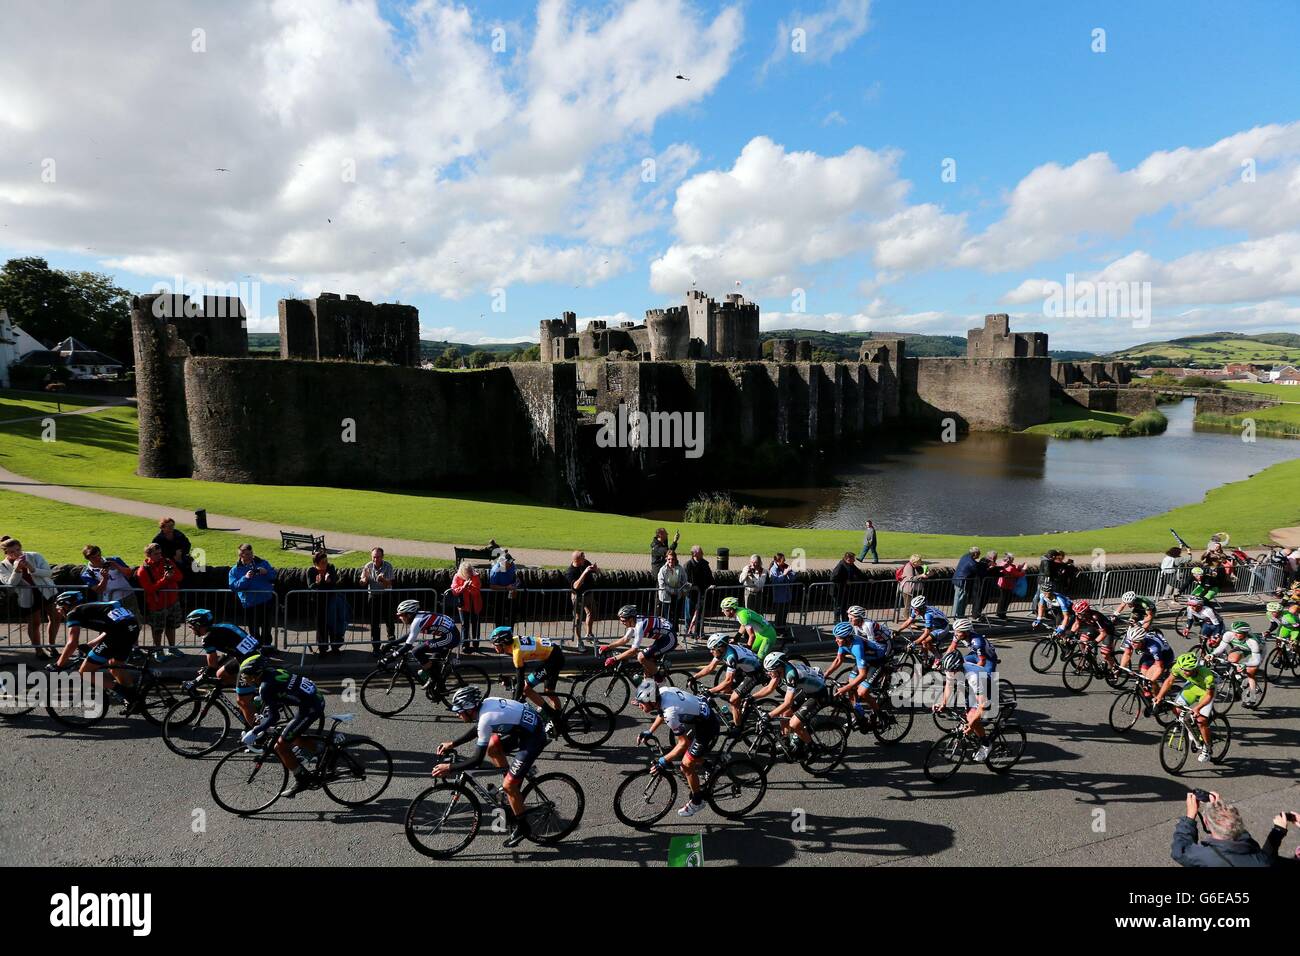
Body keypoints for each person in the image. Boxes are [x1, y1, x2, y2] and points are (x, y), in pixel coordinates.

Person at [433, 685, 548, 847]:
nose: (457, 714)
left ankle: (522, 826)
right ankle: (514, 786)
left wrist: (449, 768)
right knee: (493, 746)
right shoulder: (484, 706)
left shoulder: (486, 717)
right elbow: (479, 729)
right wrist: (453, 743)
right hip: (522, 729)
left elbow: (476, 760)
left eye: (459, 711)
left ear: (469, 708)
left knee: (509, 785)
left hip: (533, 737)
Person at [237, 654, 326, 799]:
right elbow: (279, 694)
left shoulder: (265, 687)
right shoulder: (272, 671)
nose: (246, 679)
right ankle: (321, 749)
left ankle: (302, 780)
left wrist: (255, 731)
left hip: (310, 707)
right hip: (312, 698)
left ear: (258, 673)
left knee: (280, 747)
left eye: (248, 676)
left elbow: (274, 717)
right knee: (289, 736)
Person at [634, 678, 721, 818]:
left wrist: (663, 760)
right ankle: (708, 766)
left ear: (652, 701)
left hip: (706, 727)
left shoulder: (671, 713)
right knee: (684, 753)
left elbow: (683, 743)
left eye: (642, 703)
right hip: (697, 717)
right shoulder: (662, 692)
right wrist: (650, 731)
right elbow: (661, 713)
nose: (639, 706)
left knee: (685, 765)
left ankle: (697, 801)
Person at [50, 590, 139, 696]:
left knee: (85, 672)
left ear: (66, 605)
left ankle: (123, 692)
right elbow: (111, 628)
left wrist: (58, 665)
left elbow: (72, 643)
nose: (59, 612)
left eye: (59, 609)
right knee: (115, 667)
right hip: (132, 629)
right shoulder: (92, 607)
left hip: (119, 633)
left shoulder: (73, 613)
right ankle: (134, 697)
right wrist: (91, 644)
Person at [184, 608, 262, 728]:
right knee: (221, 674)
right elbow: (228, 651)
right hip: (252, 655)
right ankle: (253, 691)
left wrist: (194, 682)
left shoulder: (208, 638)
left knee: (242, 702)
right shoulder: (224, 625)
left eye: (191, 626)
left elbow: (212, 667)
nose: (191, 629)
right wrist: (211, 667)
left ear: (198, 625)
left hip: (250, 662)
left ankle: (257, 734)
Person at [751, 650, 830, 758]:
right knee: (784, 714)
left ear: (779, 668)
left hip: (818, 694)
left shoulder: (791, 674)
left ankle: (814, 748)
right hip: (806, 691)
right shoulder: (781, 670)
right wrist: (752, 697)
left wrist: (769, 715)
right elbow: (769, 688)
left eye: (770, 671)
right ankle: (785, 743)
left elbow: (788, 703)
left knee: (794, 724)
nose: (768, 673)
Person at [824, 613, 891, 729]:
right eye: (836, 637)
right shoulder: (843, 642)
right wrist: (825, 674)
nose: (836, 640)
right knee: (851, 685)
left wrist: (845, 688)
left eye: (838, 638)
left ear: (847, 638)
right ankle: (859, 714)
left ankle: (882, 716)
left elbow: (863, 674)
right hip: (865, 660)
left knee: (862, 692)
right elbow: (838, 660)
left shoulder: (857, 647)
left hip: (876, 661)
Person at [1172, 792, 1271, 867]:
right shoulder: (1252, 849)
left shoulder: (1205, 855)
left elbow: (1180, 852)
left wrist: (1190, 818)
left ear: (1206, 822)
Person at [1153, 652, 1217, 764]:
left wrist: (1197, 708)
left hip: (1206, 693)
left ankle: (1207, 748)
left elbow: (1209, 695)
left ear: (1195, 668)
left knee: (1201, 720)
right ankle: (1191, 730)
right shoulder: (1179, 667)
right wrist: (1159, 696)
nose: (1183, 672)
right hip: (1192, 688)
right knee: (1176, 709)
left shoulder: (1208, 676)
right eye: (1182, 669)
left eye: (1187, 670)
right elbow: (1169, 681)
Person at [0, 538, 60, 658]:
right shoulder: (3, 566)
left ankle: (51, 645)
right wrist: (17, 570)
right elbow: (10, 584)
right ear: (6, 553)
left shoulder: (34, 556)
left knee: (55, 617)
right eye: (11, 552)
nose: (16, 554)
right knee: (34, 623)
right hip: (27, 595)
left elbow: (48, 573)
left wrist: (32, 569)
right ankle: (38, 650)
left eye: (17, 550)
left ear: (21, 547)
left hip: (46, 590)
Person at [691, 633, 762, 729]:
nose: (711, 651)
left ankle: (738, 728)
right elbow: (710, 667)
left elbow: (728, 681)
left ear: (720, 648)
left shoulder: (730, 657)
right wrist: (694, 677)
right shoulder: (723, 650)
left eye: (712, 649)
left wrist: (710, 691)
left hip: (754, 673)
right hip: (743, 669)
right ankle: (740, 702)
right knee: (725, 691)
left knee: (733, 700)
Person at [490, 625, 564, 714]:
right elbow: (522, 670)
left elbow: (521, 682)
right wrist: (514, 680)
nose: (494, 647)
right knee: (549, 692)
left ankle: (552, 715)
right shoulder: (515, 640)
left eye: (495, 644)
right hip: (553, 654)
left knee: (526, 689)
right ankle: (559, 714)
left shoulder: (517, 652)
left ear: (503, 644)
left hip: (554, 659)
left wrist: (514, 702)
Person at [934, 649, 993, 760]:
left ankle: (986, 744)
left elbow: (982, 705)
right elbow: (949, 684)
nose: (950, 674)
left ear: (959, 667)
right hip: (970, 688)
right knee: (967, 714)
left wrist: (971, 726)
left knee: (972, 718)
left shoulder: (974, 677)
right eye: (949, 671)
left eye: (953, 671)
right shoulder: (952, 668)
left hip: (987, 688)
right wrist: (944, 703)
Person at [393, 598, 461, 689]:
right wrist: (390, 644)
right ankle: (439, 685)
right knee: (432, 662)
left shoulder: (417, 621)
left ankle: (436, 680)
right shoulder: (417, 617)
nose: (400, 618)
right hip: (448, 634)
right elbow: (409, 635)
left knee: (416, 651)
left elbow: (407, 646)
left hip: (451, 637)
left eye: (401, 615)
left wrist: (388, 658)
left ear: (408, 615)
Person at [602, 604, 677, 681]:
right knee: (647, 671)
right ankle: (652, 686)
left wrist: (615, 658)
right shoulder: (633, 622)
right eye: (620, 620)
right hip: (662, 637)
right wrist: (608, 647)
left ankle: (660, 680)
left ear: (630, 619)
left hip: (669, 639)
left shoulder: (639, 626)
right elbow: (625, 640)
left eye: (623, 620)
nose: (621, 623)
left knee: (641, 657)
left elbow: (633, 650)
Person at [137, 542, 184, 659]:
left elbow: (180, 577)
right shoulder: (143, 570)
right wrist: (164, 579)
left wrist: (171, 575)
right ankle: (158, 650)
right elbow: (149, 589)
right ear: (148, 555)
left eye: (160, 553)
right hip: (156, 605)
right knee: (157, 629)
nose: (160, 556)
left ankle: (172, 648)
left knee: (171, 626)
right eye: (156, 554)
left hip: (172, 602)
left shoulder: (167, 562)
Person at [228, 544, 276, 645]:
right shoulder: (235, 570)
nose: (250, 556)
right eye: (247, 554)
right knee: (253, 628)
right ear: (241, 555)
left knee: (266, 626)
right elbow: (234, 587)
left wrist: (266, 572)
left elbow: (273, 576)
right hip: (250, 603)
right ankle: (256, 648)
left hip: (266, 600)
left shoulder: (263, 563)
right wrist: (245, 578)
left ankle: (267, 647)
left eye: (251, 553)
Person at [1207, 621, 1263, 701]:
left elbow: (1256, 660)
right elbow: (1221, 647)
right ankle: (1239, 680)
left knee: (1250, 671)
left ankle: (1253, 694)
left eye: (1238, 633)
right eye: (1234, 632)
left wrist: (1245, 664)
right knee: (1231, 660)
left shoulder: (1252, 641)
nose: (1235, 634)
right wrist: (1213, 654)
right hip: (1242, 648)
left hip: (1257, 650)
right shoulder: (1229, 635)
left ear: (1245, 633)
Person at [80, 545, 138, 615]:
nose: (97, 558)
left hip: (128, 596)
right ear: (87, 558)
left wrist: (117, 566)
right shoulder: (86, 573)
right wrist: (105, 578)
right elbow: (99, 590)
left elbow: (130, 574)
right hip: (110, 601)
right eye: (93, 557)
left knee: (135, 621)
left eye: (98, 555)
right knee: (115, 623)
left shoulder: (114, 560)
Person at [306, 550, 345, 655]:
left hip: (331, 600)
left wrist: (329, 581)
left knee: (333, 623)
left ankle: (335, 647)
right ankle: (322, 649)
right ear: (316, 563)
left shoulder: (330, 567)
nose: (325, 564)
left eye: (326, 561)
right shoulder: (311, 571)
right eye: (322, 562)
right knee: (321, 625)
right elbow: (310, 586)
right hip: (318, 602)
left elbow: (335, 580)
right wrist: (318, 583)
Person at [360, 547, 395, 657]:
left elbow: (389, 584)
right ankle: (376, 646)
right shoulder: (368, 566)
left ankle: (391, 643)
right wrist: (364, 580)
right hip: (373, 597)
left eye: (378, 557)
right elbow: (361, 582)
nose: (375, 559)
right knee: (374, 623)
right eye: (374, 557)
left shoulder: (388, 566)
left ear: (382, 557)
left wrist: (383, 580)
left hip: (386, 595)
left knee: (389, 620)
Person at [897, 594, 949, 661]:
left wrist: (915, 643)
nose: (914, 611)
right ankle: (925, 657)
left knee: (924, 642)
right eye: (913, 608)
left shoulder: (928, 614)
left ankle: (937, 657)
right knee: (923, 642)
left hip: (942, 628)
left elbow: (927, 632)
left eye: (916, 609)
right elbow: (908, 621)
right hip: (934, 626)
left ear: (922, 608)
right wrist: (898, 631)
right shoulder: (916, 609)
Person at [565, 550, 598, 649]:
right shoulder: (570, 572)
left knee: (592, 613)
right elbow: (576, 586)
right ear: (578, 560)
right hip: (578, 597)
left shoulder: (585, 562)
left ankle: (589, 634)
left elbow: (595, 571)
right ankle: (579, 641)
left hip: (588, 594)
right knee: (578, 619)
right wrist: (585, 572)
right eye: (583, 557)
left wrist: (595, 569)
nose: (585, 559)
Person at [451, 560, 484, 653]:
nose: (469, 573)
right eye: (467, 571)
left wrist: (469, 588)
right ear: (463, 571)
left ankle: (476, 644)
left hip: (475, 604)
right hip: (463, 605)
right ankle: (465, 645)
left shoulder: (475, 576)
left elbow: (477, 590)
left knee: (476, 624)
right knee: (464, 625)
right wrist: (464, 587)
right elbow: (454, 591)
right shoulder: (457, 577)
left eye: (470, 571)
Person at [683, 546, 713, 638]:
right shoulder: (688, 565)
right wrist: (692, 586)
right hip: (691, 594)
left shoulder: (704, 564)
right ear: (695, 554)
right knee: (689, 614)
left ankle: (700, 632)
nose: (702, 554)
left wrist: (712, 584)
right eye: (701, 552)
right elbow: (685, 580)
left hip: (702, 593)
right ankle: (688, 631)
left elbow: (710, 577)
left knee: (700, 614)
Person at [657, 549, 690, 628]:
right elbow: (661, 584)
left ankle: (675, 632)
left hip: (677, 595)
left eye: (672, 559)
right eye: (669, 559)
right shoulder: (663, 570)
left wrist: (683, 589)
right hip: (666, 596)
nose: (670, 561)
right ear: (666, 559)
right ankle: (667, 632)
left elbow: (684, 580)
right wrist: (672, 591)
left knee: (676, 616)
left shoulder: (680, 568)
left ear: (675, 559)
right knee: (667, 617)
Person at [829, 552, 865, 623]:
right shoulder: (840, 566)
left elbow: (858, 573)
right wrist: (844, 581)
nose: (854, 560)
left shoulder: (851, 564)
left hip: (844, 591)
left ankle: (845, 623)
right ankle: (837, 623)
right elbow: (833, 578)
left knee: (845, 608)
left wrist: (868, 579)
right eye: (853, 559)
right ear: (848, 559)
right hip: (837, 591)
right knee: (838, 608)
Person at [487, 550, 518, 628]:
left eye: (511, 562)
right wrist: (506, 588)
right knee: (499, 615)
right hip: (499, 594)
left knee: (512, 614)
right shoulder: (495, 570)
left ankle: (510, 632)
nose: (511, 564)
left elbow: (515, 577)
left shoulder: (512, 565)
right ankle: (500, 633)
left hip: (510, 592)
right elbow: (492, 586)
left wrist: (515, 586)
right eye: (509, 562)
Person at [767, 553, 795, 634]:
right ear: (777, 561)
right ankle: (777, 630)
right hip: (779, 596)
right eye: (783, 560)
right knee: (779, 614)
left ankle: (782, 628)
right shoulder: (773, 569)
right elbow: (775, 581)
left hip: (786, 596)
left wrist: (790, 572)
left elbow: (793, 579)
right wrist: (784, 574)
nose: (785, 561)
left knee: (784, 613)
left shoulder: (785, 566)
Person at [993, 553, 1025, 619]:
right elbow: (1018, 574)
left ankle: (999, 612)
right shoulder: (1010, 567)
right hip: (1007, 585)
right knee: (1006, 600)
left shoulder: (1002, 563)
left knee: (1002, 599)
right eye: (1012, 559)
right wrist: (1023, 570)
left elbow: (1013, 567)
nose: (1013, 561)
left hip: (1002, 584)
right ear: (1009, 560)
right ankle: (1002, 614)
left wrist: (1018, 567)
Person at [952, 547, 981, 619]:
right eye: (979, 554)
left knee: (958, 599)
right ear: (975, 553)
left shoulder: (965, 556)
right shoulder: (972, 563)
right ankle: (958, 616)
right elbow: (978, 571)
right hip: (962, 582)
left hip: (957, 579)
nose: (979, 555)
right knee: (961, 600)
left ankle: (958, 615)